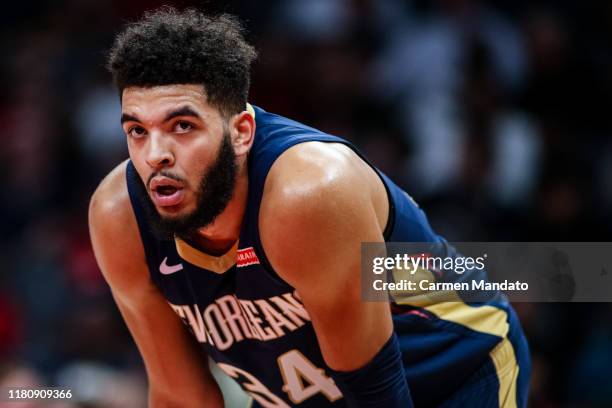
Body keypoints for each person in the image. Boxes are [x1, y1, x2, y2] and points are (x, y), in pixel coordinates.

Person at [89, 8, 530, 408]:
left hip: (452, 375)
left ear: (241, 132)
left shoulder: (308, 195)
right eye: (137, 131)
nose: (154, 155)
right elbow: (180, 396)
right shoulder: (119, 216)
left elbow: (377, 393)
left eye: (182, 126)